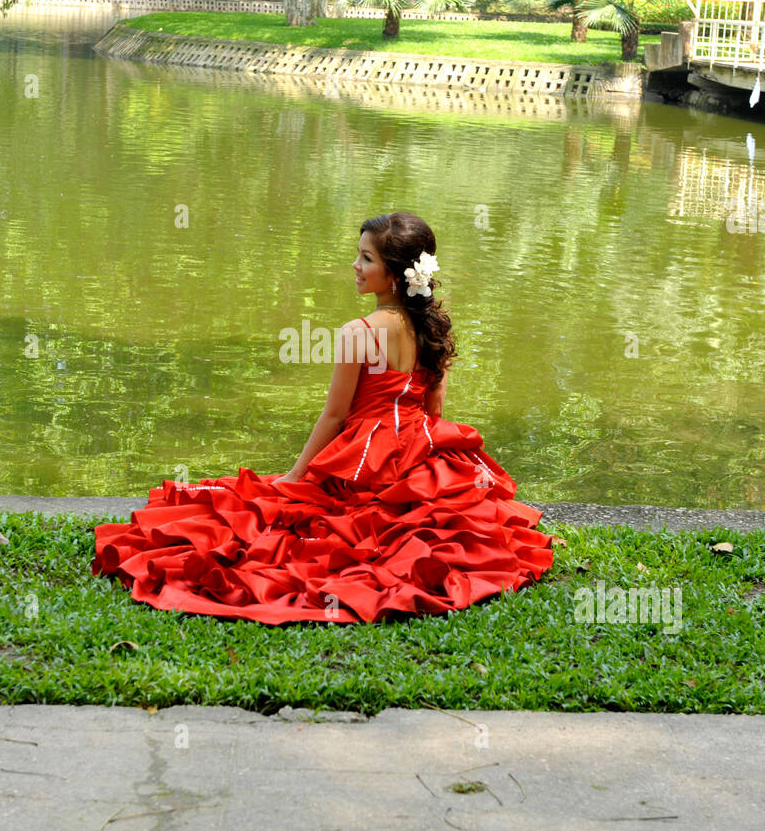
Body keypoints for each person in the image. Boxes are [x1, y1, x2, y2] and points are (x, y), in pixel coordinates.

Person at [92, 211, 554, 623]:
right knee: (418, 520)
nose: (355, 266)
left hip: (364, 455)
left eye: (366, 259)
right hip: (420, 448)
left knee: (286, 515)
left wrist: (296, 474)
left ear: (393, 275)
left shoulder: (359, 333)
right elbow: (434, 414)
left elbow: (334, 417)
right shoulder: (434, 329)